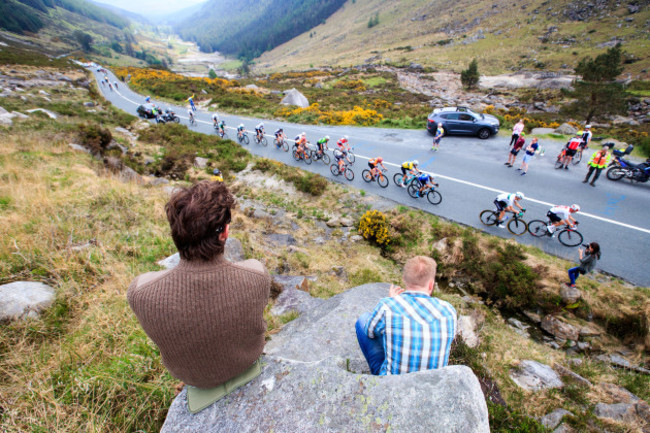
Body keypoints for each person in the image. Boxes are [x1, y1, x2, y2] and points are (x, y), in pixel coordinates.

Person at [127, 181, 271, 413]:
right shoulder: (256, 275)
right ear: (224, 233)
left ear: (176, 233)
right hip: (246, 364)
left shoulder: (141, 291)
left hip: (193, 378)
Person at [355, 256, 457, 375]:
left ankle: (378, 376)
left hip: (392, 382)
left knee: (363, 320)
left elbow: (370, 332)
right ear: (431, 285)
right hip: (433, 386)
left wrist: (392, 301)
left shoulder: (387, 306)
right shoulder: (449, 311)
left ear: (404, 279)